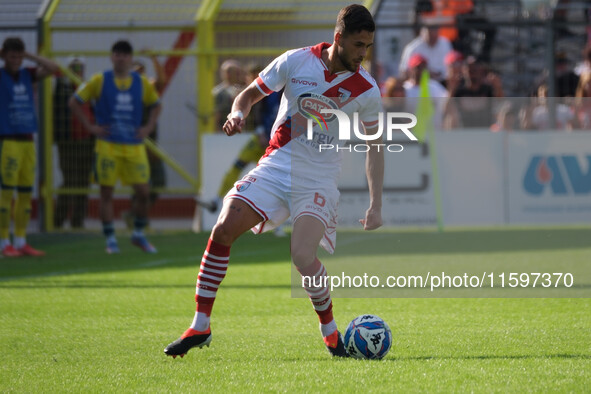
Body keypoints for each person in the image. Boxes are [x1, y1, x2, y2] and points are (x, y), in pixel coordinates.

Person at [164, 4, 384, 358]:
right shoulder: (295, 61)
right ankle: (200, 325)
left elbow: (376, 148)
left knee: (301, 256)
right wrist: (238, 113)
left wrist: (376, 205)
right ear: (338, 38)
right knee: (222, 228)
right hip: (277, 165)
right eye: (358, 45)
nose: (363, 54)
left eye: (367, 47)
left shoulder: (367, 89)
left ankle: (330, 333)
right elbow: (249, 94)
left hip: (318, 179)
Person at [69, 40, 162, 254]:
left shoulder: (141, 83)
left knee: (143, 192)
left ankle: (138, 234)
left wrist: (147, 127)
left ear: (130, 58)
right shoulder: (99, 80)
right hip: (107, 146)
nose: (121, 58)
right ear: (111, 57)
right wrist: (90, 126)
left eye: (125, 55)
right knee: (106, 193)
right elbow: (74, 101)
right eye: (117, 54)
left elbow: (157, 105)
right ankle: (110, 239)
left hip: (134, 146)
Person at [209, 63, 286, 236]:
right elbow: (257, 112)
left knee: (275, 182)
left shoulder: (285, 91)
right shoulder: (266, 91)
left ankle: (277, 225)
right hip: (259, 140)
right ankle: (216, 199)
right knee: (237, 166)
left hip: (276, 144)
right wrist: (259, 132)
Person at [0, 37, 59, 257]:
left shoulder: (28, 74)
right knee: (6, 193)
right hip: (7, 141)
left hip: (27, 141)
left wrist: (29, 56)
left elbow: (53, 68)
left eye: (18, 56)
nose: (15, 60)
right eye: (11, 56)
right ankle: (3, 241)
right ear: (4, 55)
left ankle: (21, 240)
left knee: (25, 192)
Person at [122, 54, 167, 229]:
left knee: (158, 180)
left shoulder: (148, 88)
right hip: (133, 142)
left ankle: (136, 214)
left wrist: (155, 58)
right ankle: (138, 218)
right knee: (139, 183)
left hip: (150, 141)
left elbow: (161, 80)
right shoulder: (125, 90)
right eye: (135, 71)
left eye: (141, 71)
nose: (139, 74)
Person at [53, 57, 95, 230]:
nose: (78, 70)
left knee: (84, 182)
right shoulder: (62, 88)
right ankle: (58, 220)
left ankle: (78, 221)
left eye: (80, 67)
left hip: (87, 141)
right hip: (68, 141)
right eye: (74, 67)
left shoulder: (89, 88)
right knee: (69, 181)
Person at [212, 59, 245, 131]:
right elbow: (217, 114)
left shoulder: (243, 89)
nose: (239, 75)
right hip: (225, 129)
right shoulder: (219, 92)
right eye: (237, 72)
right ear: (228, 74)